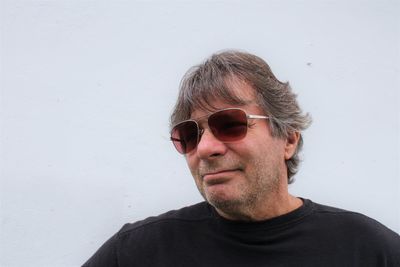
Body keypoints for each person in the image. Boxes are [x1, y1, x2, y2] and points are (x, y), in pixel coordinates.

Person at [83, 50, 400, 266]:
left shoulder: (368, 251)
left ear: (287, 139)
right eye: (190, 135)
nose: (206, 148)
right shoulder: (139, 253)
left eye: (230, 124)